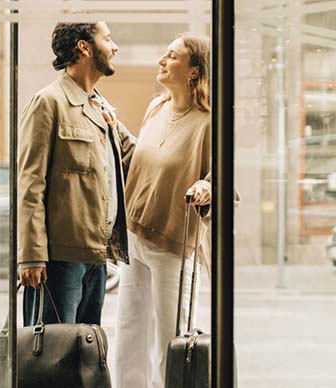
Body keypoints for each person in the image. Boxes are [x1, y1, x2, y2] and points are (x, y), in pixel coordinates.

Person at [16, 21, 136, 326]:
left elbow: (131, 159)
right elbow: (31, 183)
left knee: (82, 355)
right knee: (50, 358)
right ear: (84, 46)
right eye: (108, 39)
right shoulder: (49, 102)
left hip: (96, 258)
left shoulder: (100, 108)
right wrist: (31, 255)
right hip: (59, 260)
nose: (115, 47)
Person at [112, 33, 213, 388]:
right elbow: (144, 158)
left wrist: (207, 186)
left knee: (171, 338)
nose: (162, 60)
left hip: (173, 243)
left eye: (172, 56)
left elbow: (220, 178)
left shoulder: (208, 123)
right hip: (136, 235)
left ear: (193, 71)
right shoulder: (157, 107)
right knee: (128, 333)